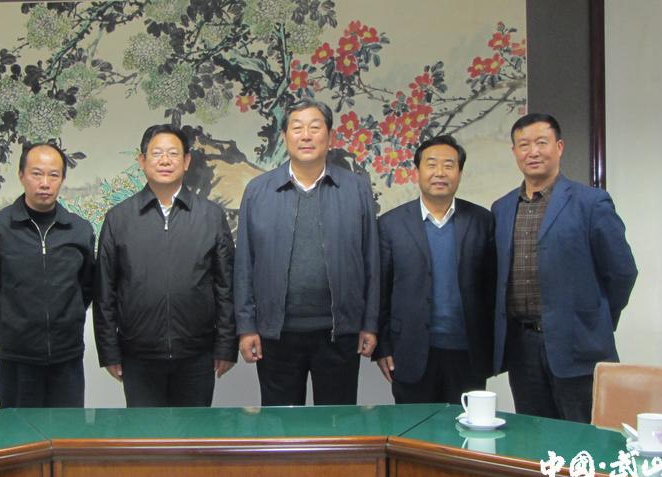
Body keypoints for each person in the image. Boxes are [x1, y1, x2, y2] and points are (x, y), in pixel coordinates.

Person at [492, 113, 637, 422]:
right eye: (524, 145)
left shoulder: (591, 202)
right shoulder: (502, 208)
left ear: (559, 147)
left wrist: (597, 318)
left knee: (585, 436)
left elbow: (622, 272)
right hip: (522, 347)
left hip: (579, 344)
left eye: (541, 142)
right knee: (534, 435)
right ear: (515, 152)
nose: (533, 152)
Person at [234, 98, 379, 406]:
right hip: (276, 334)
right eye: (297, 128)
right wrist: (246, 327)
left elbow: (371, 260)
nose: (306, 136)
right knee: (281, 424)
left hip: (339, 332)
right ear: (284, 136)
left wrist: (370, 322)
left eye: (315, 127)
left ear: (330, 136)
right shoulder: (258, 191)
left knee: (338, 423)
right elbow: (244, 264)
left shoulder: (355, 188)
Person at [93, 124, 236, 407]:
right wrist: (109, 350)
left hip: (197, 354)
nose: (165, 160)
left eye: (173, 153)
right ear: (142, 161)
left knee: (193, 432)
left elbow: (226, 286)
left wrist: (226, 345)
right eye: (156, 153)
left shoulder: (210, 216)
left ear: (186, 161)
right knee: (146, 433)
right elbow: (105, 291)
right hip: (138, 355)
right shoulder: (119, 218)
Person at [0, 142, 94, 408]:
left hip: (67, 359)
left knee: (66, 431)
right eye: (37, 174)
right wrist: (8, 331)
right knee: (19, 431)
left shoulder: (79, 230)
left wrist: (65, 321)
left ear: (62, 179)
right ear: (21, 175)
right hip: (16, 360)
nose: (45, 183)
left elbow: (86, 287)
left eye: (53, 175)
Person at [374, 135, 495, 404]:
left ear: (460, 172)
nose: (440, 172)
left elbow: (492, 288)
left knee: (464, 427)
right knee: (414, 428)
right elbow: (381, 290)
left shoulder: (482, 221)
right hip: (409, 351)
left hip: (468, 352)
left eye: (448, 165)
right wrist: (382, 346)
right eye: (431, 164)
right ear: (417, 171)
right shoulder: (391, 224)